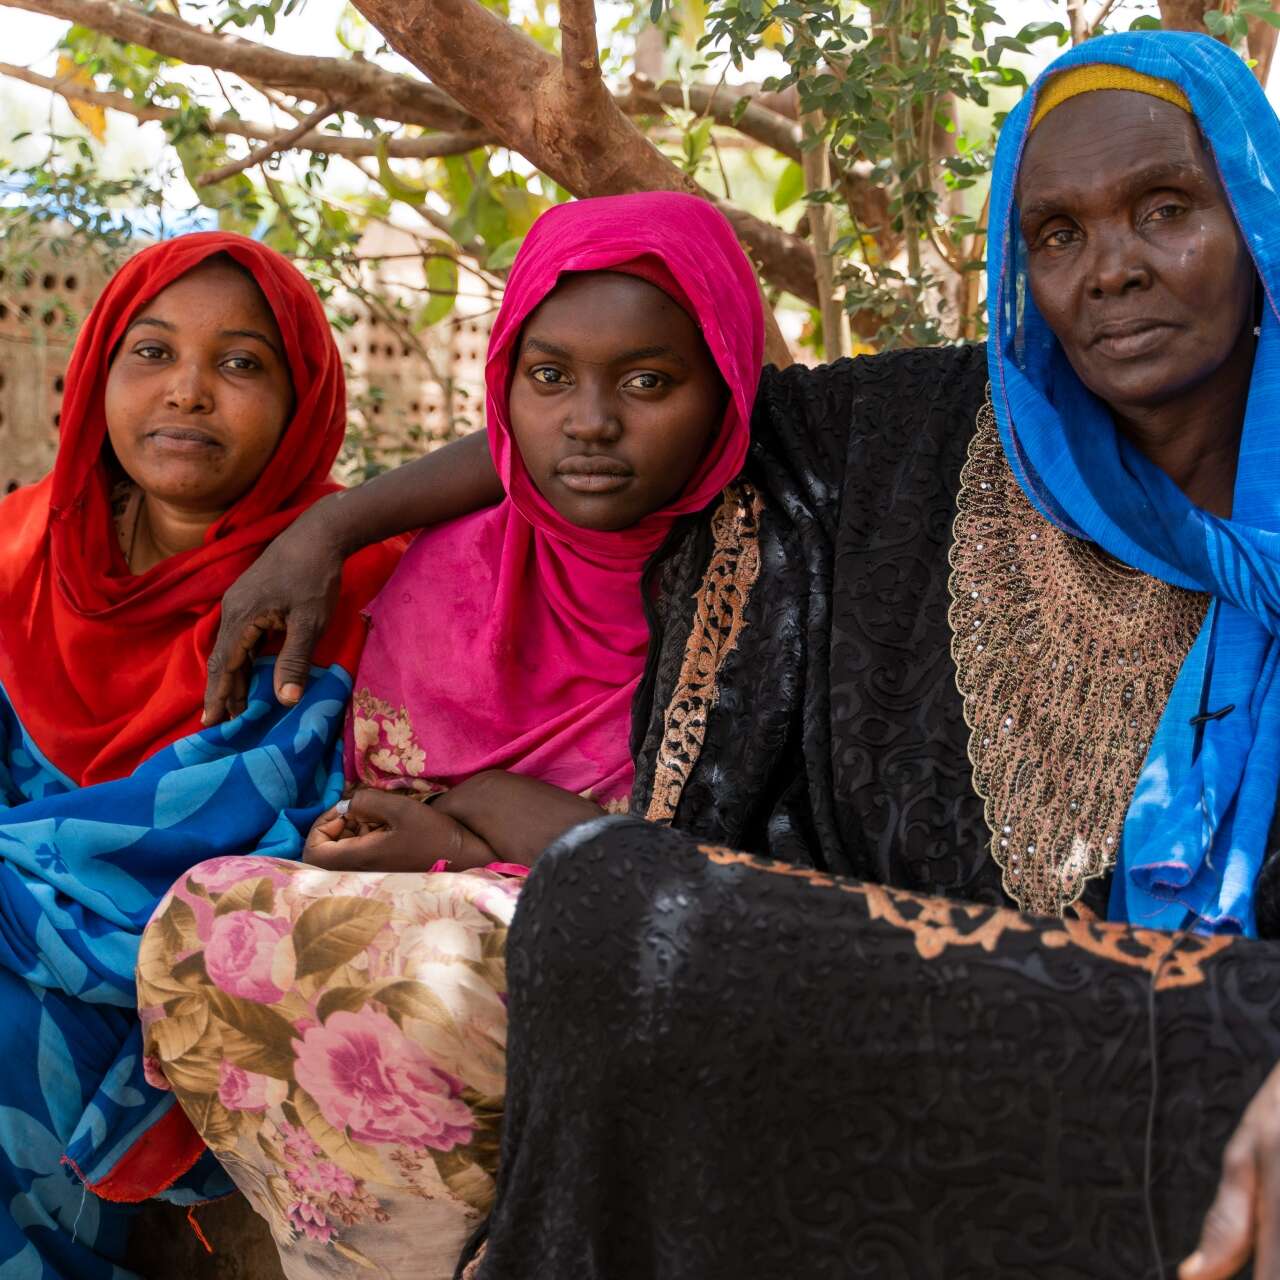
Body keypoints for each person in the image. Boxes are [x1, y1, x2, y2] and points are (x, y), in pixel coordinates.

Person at [195, 32, 1280, 1277]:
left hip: (1228, 1045)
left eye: (1163, 210)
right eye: (1056, 233)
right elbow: (640, 415)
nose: (1111, 270)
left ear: (1252, 211)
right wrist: (333, 523)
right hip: (909, 1001)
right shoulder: (906, 435)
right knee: (587, 909)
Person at [136, 191, 766, 1280]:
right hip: (453, 925)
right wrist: (402, 833)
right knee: (211, 916)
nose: (590, 421)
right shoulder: (454, 572)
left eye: (648, 382)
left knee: (450, 970)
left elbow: (721, 874)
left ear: (727, 385)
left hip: (647, 961)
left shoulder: (782, 577)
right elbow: (385, 795)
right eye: (548, 376)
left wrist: (473, 832)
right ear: (502, 386)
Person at [0, 231, 408, 1278]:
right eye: (151, 353)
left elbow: (286, 848)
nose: (188, 391)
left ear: (301, 395)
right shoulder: (17, 551)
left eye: (239, 362)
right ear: (97, 371)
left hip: (180, 993)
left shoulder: (362, 582)